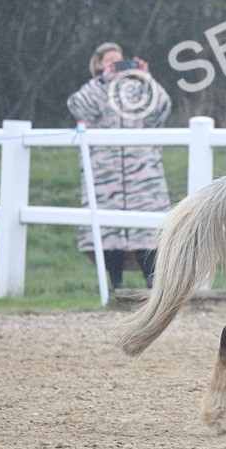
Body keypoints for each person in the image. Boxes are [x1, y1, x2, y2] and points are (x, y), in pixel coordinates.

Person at [67, 42, 172, 291]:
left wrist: (146, 78)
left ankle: (152, 285)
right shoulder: (94, 90)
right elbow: (78, 107)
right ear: (98, 65)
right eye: (110, 61)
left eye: (119, 60)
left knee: (148, 229)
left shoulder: (136, 89)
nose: (116, 66)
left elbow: (162, 110)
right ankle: (115, 286)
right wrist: (103, 81)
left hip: (142, 173)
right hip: (106, 173)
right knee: (108, 231)